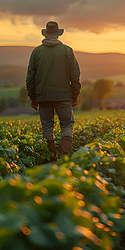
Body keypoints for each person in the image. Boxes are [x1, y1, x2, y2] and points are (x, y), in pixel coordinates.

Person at [26, 21, 81, 161]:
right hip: (64, 95)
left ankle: (51, 159)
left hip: (43, 96)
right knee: (67, 124)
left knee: (47, 126)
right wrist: (75, 94)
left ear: (45, 33)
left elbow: (30, 77)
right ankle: (65, 157)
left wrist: (33, 97)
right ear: (58, 34)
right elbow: (75, 75)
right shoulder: (67, 51)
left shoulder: (37, 52)